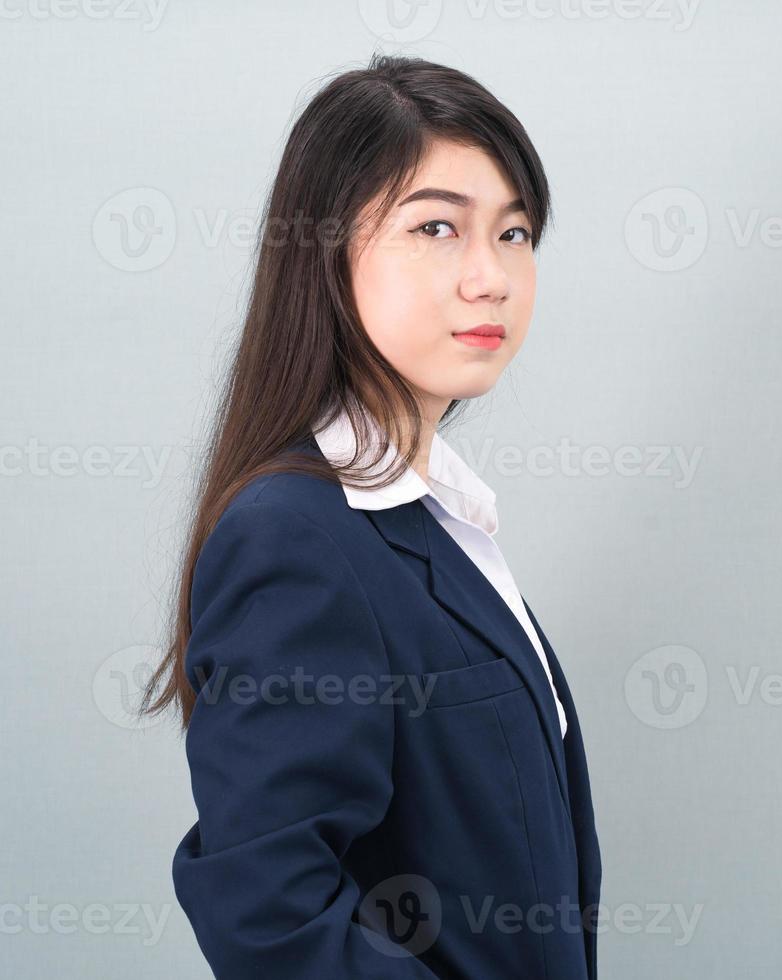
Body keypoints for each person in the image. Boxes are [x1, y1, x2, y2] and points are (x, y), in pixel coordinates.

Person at [138, 53, 601, 979]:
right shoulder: (296, 536)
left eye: (514, 234)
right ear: (326, 251)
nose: (492, 277)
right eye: (438, 227)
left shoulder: (442, 520)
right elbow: (268, 906)